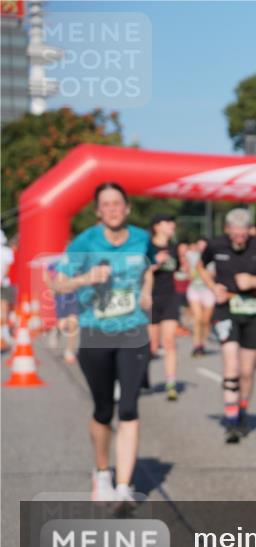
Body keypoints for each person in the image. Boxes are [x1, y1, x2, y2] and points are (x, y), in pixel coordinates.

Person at [51, 182, 153, 508]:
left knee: (129, 409)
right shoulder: (85, 242)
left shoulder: (141, 238)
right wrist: (85, 279)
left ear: (127, 208)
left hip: (134, 332)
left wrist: (147, 290)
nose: (112, 209)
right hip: (96, 334)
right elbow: (58, 283)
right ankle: (102, 472)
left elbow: (149, 267)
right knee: (103, 409)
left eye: (117, 203)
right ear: (98, 211)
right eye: (105, 205)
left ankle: (124, 486)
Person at [196, 208, 256, 444]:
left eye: (243, 234)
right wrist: (213, 287)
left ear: (250, 231)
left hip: (253, 309)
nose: (239, 238)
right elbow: (200, 266)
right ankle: (231, 419)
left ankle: (243, 409)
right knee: (231, 364)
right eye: (235, 234)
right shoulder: (216, 245)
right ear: (227, 229)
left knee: (247, 370)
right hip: (226, 309)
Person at [146, 213, 182, 401]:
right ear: (157, 226)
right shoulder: (147, 246)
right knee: (151, 346)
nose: (172, 226)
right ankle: (142, 376)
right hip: (150, 298)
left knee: (169, 342)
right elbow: (138, 270)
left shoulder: (174, 248)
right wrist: (155, 262)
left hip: (170, 297)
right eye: (168, 223)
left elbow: (177, 271)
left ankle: (171, 383)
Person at [185, 238, 214, 356]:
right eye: (199, 245)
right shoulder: (192, 256)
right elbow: (183, 253)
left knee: (205, 320)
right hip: (195, 290)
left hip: (208, 291)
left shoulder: (213, 259)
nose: (201, 248)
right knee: (198, 318)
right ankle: (197, 345)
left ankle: (203, 342)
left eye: (204, 246)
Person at [1, 230, 15, 352]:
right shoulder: (7, 251)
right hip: (3, 282)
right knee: (3, 309)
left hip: (3, 283)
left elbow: (8, 267)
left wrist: (2, 278)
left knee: (4, 308)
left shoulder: (6, 252)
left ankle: (4, 333)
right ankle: (4, 332)